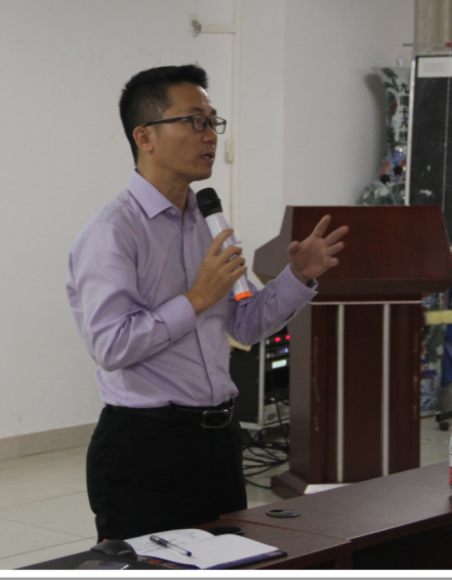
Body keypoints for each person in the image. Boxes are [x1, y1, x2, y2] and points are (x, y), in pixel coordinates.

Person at [66, 64, 349, 541]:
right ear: (144, 137)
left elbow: (244, 325)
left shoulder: (207, 220)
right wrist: (196, 298)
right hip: (146, 445)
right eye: (194, 121)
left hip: (219, 440)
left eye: (213, 121)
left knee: (231, 562)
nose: (210, 135)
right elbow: (111, 347)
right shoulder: (112, 233)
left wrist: (298, 275)